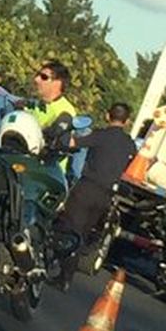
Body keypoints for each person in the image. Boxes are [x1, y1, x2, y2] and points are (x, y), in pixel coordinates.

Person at [50, 101, 138, 290]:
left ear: (108, 115)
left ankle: (63, 275)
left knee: (70, 229)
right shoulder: (130, 144)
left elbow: (73, 143)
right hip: (105, 195)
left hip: (86, 189)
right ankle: (66, 275)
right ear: (127, 121)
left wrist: (60, 135)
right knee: (84, 232)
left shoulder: (100, 135)